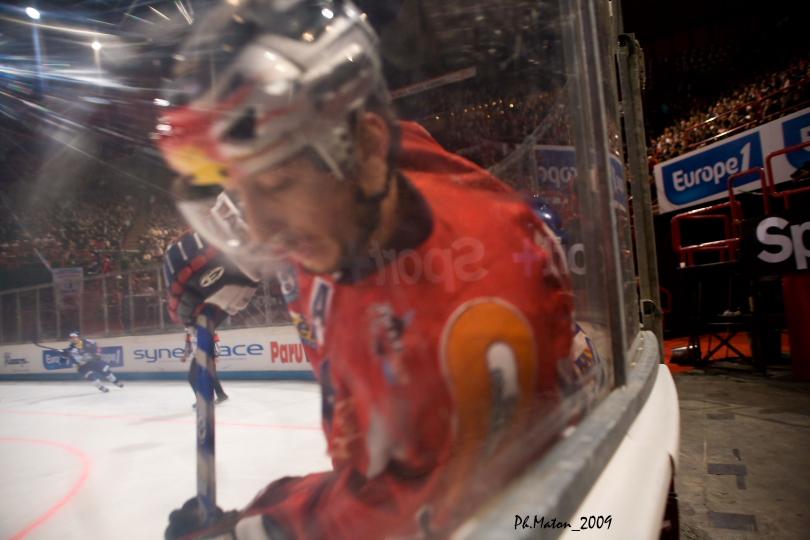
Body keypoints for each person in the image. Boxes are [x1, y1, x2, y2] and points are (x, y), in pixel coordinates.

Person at [158, 1, 575, 538]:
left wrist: (245, 530)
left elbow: (393, 516)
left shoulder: (461, 326)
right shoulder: (356, 200)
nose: (259, 229)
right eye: (240, 191)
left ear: (367, 148)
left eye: (278, 182)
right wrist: (236, 255)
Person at [182, 327, 229, 406]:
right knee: (191, 378)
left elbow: (215, 341)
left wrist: (216, 355)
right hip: (197, 357)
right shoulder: (188, 331)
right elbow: (188, 345)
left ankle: (220, 395)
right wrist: (185, 355)